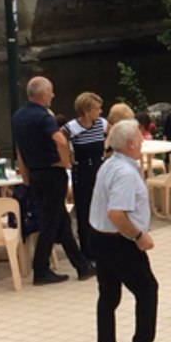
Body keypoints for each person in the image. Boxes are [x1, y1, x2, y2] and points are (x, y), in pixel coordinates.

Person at [90, 119, 171, 342]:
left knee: (108, 295)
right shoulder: (125, 173)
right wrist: (138, 236)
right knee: (147, 289)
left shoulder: (109, 164)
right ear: (130, 143)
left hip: (100, 237)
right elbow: (117, 213)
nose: (143, 141)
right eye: (139, 138)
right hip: (120, 241)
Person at [11, 77, 93, 285]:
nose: (53, 95)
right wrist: (65, 162)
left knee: (60, 219)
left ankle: (82, 266)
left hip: (34, 173)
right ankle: (40, 269)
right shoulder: (44, 116)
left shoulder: (18, 116)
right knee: (50, 221)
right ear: (42, 94)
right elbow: (59, 139)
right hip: (51, 173)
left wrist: (24, 174)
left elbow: (19, 148)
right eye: (51, 92)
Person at [63, 92, 107, 259]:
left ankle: (101, 245)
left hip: (98, 167)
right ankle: (86, 250)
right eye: (97, 108)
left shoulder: (101, 124)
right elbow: (59, 141)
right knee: (84, 208)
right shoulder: (72, 127)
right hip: (82, 170)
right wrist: (67, 159)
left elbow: (114, 134)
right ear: (87, 110)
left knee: (100, 206)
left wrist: (108, 152)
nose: (100, 111)